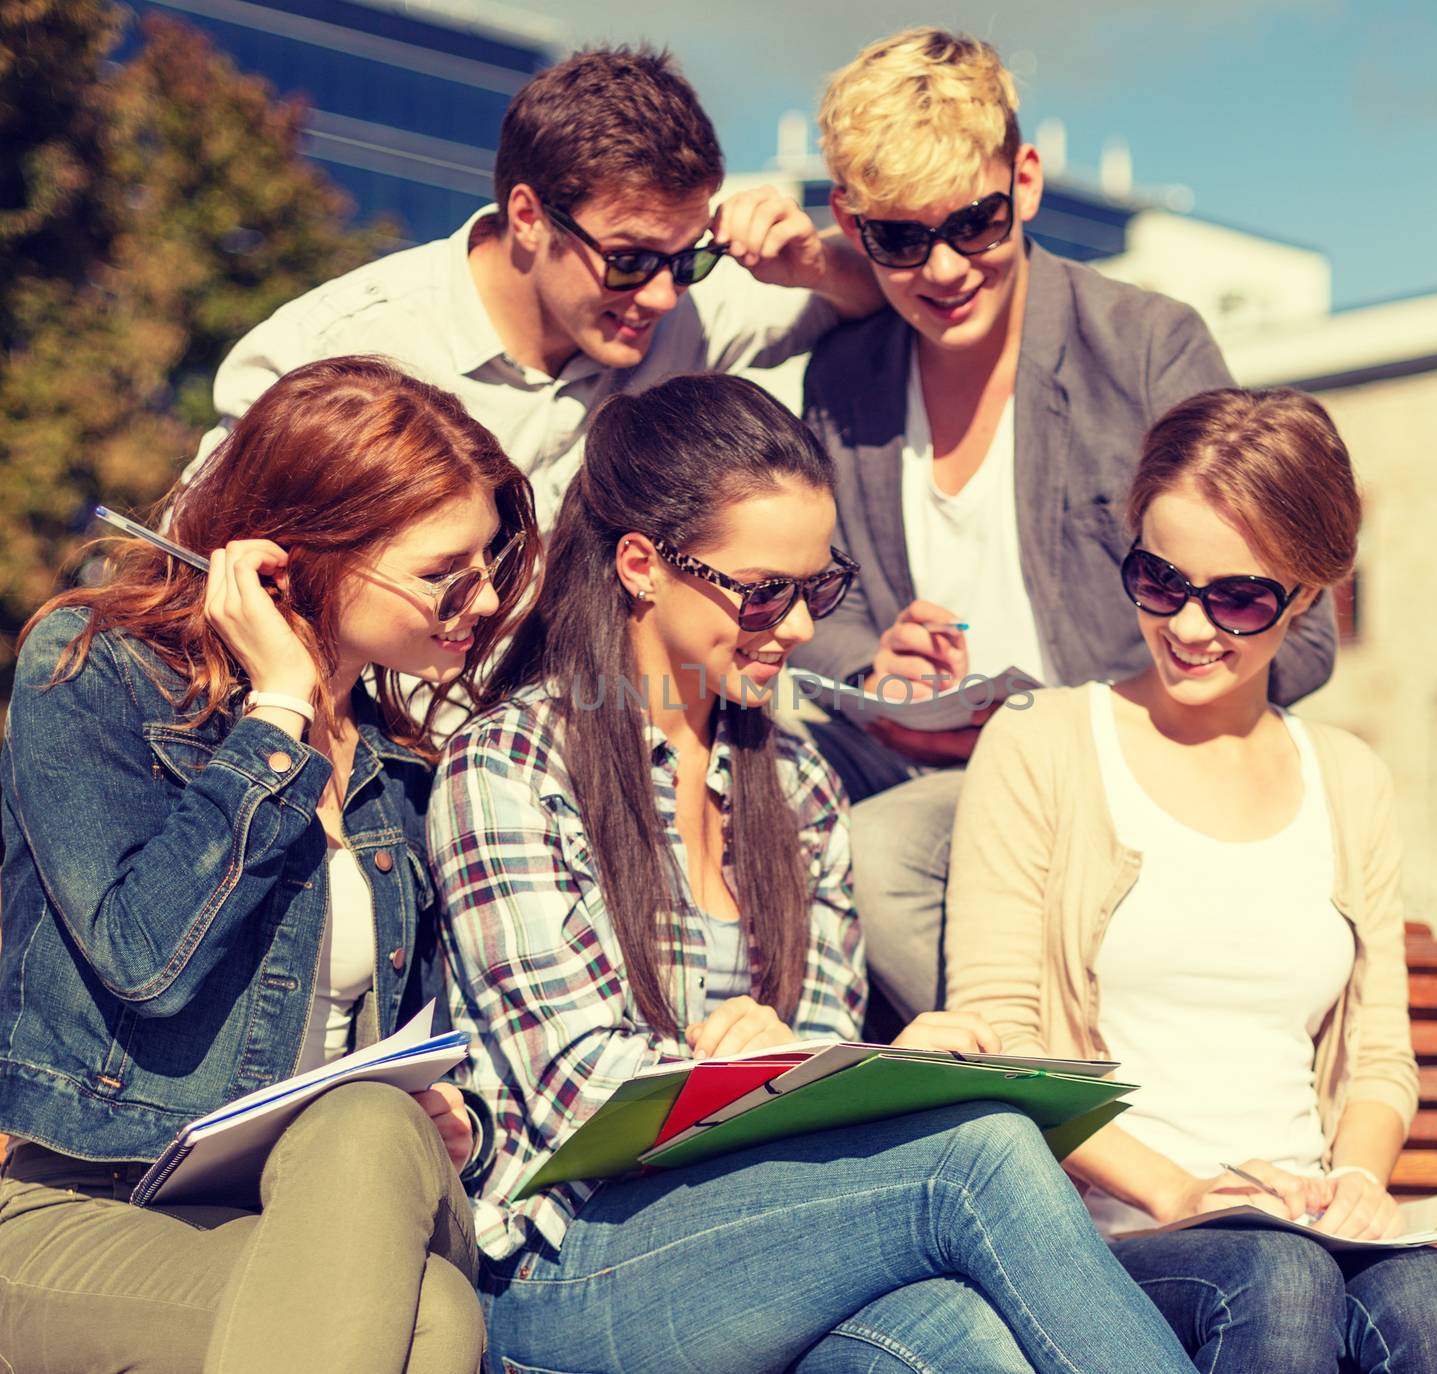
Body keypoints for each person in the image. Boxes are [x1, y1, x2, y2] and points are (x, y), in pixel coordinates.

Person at [429, 372, 1201, 1374]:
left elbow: (817, 1065)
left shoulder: (794, 781)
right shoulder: (510, 765)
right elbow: (578, 1096)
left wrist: (879, 1066)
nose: (795, 628)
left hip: (758, 1244)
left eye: (816, 590)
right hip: (569, 1273)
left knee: (956, 1340)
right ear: (640, 566)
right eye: (761, 591)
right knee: (982, 1152)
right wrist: (763, 1070)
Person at [944, 387, 1437, 1372]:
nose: (1189, 625)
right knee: (1273, 1280)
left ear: (1310, 594)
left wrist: (1357, 1187)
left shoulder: (1349, 779)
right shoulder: (1042, 744)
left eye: (1237, 597)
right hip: (1111, 1232)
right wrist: (1176, 1191)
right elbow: (1000, 1044)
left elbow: (1378, 1059)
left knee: (1433, 1295)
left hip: (1305, 1226)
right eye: (1159, 580)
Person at [0, 357, 540, 1373]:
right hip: (83, 1206)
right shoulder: (90, 670)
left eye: (492, 566)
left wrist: (457, 1119)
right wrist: (279, 713)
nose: (479, 603)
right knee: (433, 1321)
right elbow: (144, 962)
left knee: (377, 1124)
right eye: (443, 574)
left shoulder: (399, 774)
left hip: (328, 1198)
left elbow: (423, 1040)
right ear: (292, 561)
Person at [788, 28, 1338, 1023]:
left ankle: (1067, 1098)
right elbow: (817, 594)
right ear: (850, 223)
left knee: (873, 859)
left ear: (1026, 182)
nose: (944, 268)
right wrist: (877, 669)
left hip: (1135, 781)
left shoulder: (1143, 350)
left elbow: (1298, 627)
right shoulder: (842, 378)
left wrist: (1081, 724)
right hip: (939, 786)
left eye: (975, 224)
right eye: (900, 240)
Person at [184, 45, 882, 525]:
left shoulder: (682, 307)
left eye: (687, 258)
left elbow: (882, 295)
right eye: (630, 260)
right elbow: (189, 568)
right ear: (528, 216)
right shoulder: (332, 350)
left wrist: (812, 265)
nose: (663, 296)